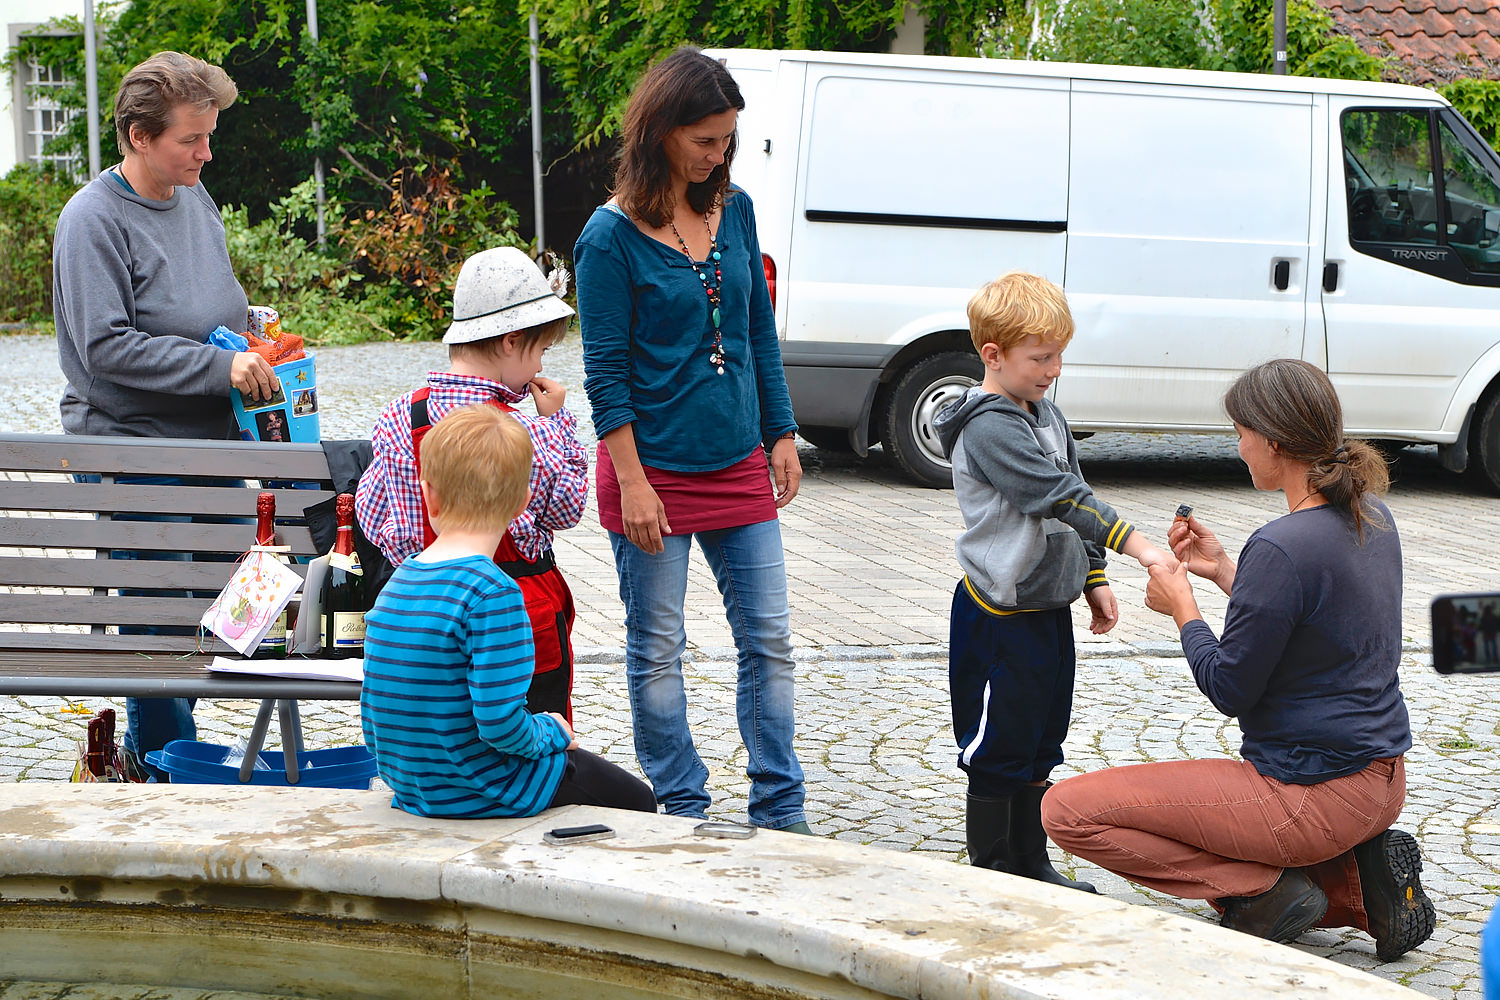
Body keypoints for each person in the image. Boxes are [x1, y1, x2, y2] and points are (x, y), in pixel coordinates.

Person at [1042, 358, 1436, 961]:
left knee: (1066, 812)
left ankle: (1272, 892)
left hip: (1309, 795)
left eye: (1241, 434)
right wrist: (1228, 569)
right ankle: (1356, 888)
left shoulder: (1282, 545)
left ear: (1274, 442)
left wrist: (1182, 607)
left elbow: (1229, 686)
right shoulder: (1370, 515)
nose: (1239, 447)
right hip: (1381, 785)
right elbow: (1315, 625)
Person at [573, 48, 808, 831]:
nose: (719, 155)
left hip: (737, 459)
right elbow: (605, 376)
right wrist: (633, 483)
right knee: (657, 649)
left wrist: (778, 430)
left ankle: (781, 806)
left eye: (727, 140)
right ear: (662, 132)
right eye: (705, 140)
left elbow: (754, 333)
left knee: (769, 640)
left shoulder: (733, 210)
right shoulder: (607, 239)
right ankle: (682, 803)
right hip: (653, 473)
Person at [52, 51, 278, 781]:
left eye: (209, 136)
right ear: (139, 136)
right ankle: (164, 774)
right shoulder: (92, 221)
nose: (206, 153)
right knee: (158, 623)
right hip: (133, 451)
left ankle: (171, 754)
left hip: (209, 441)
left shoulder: (195, 197)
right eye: (191, 139)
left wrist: (255, 337)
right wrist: (220, 367)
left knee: (238, 601)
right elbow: (105, 349)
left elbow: (212, 300)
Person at [932, 272, 1175, 892]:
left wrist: (1093, 575)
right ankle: (993, 871)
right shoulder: (991, 427)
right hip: (1000, 615)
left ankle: (1032, 866)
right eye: (1040, 357)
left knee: (1042, 740)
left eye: (1059, 355)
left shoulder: (1045, 414)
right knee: (998, 748)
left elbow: (1079, 490)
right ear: (993, 355)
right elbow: (1056, 495)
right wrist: (1139, 548)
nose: (1054, 369)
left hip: (1047, 609)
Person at [361, 405, 655, 819]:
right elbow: (499, 725)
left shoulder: (400, 580)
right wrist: (552, 730)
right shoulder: (493, 592)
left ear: (428, 493)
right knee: (638, 801)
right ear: (522, 502)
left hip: (414, 788)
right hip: (485, 789)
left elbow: (376, 713)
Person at [356, 246, 587, 720]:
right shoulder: (524, 431)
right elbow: (566, 509)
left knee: (444, 735)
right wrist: (560, 421)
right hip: (520, 624)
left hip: (425, 623)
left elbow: (378, 519)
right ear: (510, 341)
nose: (540, 368)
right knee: (526, 750)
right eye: (539, 351)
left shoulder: (400, 416)